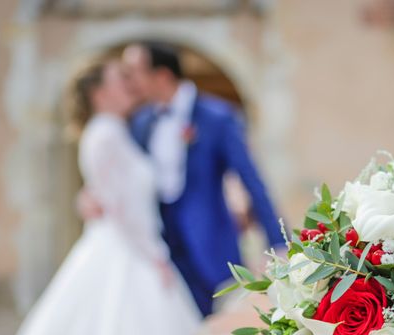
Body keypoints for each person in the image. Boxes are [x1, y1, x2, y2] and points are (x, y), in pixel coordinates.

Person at [0, 58, 201, 335]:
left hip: (127, 245)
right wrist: (154, 256)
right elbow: (123, 211)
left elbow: (107, 192)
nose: (129, 85)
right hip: (126, 249)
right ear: (98, 92)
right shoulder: (104, 134)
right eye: (119, 80)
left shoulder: (116, 131)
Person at [87, 41, 286, 316]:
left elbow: (251, 180)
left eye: (135, 72)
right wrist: (88, 195)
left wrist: (278, 242)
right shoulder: (140, 122)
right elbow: (118, 173)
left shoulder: (218, 117)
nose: (130, 82)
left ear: (162, 75)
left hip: (212, 245)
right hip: (163, 252)